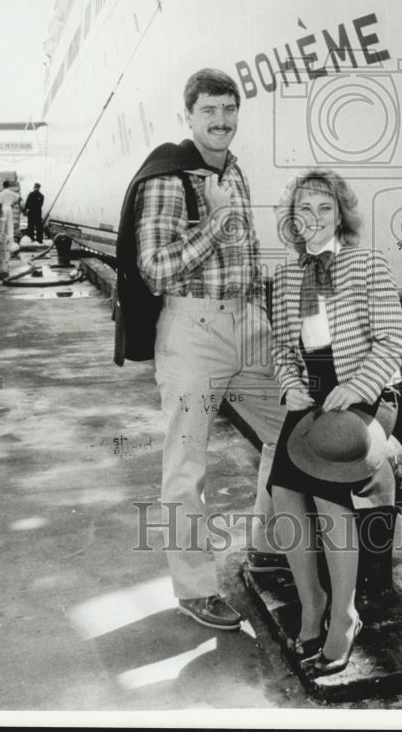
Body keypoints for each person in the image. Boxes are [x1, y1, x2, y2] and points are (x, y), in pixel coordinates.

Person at [134, 68, 287, 631]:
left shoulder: (234, 169)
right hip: (193, 331)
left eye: (229, 109)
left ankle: (269, 546)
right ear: (189, 115)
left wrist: (268, 313)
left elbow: (248, 254)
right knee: (186, 464)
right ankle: (195, 589)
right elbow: (154, 269)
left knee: (292, 431)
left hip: (247, 326)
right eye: (209, 111)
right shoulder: (168, 179)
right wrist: (217, 221)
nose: (221, 121)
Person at [268, 169, 402, 674]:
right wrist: (289, 385)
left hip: (366, 392)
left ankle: (345, 616)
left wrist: (359, 387)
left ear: (341, 215)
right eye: (304, 209)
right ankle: (314, 602)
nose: (314, 218)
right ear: (292, 219)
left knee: (329, 490)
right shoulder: (284, 277)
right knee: (283, 490)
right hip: (313, 394)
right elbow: (282, 349)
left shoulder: (368, 264)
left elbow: (395, 340)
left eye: (324, 208)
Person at [0, 179, 20, 277]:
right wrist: (13, 204)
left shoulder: (1, 193)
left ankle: (4, 241)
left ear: (3, 185)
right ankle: (10, 242)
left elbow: (0, 204)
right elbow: (19, 198)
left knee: (3, 227)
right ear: (8, 185)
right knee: (10, 226)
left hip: (4, 209)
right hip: (9, 208)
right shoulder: (11, 192)